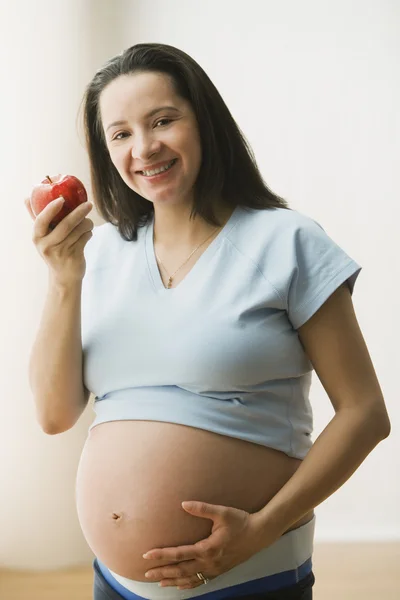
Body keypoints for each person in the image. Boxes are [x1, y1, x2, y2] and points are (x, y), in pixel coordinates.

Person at [26, 43, 391, 600]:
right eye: (120, 133)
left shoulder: (286, 241)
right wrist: (62, 278)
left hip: (251, 576)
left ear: (205, 122)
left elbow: (365, 414)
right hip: (114, 585)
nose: (144, 148)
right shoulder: (96, 255)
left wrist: (260, 530)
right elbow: (55, 415)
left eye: (163, 120)